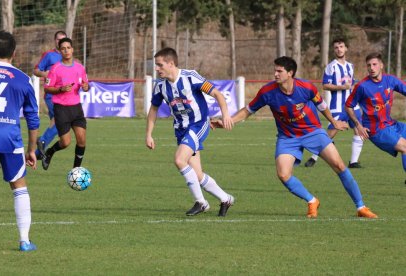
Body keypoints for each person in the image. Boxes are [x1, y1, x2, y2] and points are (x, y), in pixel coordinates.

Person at [215, 56, 377, 218]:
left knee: (340, 166)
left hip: (312, 131)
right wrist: (229, 121)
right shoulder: (267, 91)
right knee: (283, 174)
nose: (275, 74)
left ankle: (360, 207)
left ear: (290, 73)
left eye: (279, 71)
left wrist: (333, 121)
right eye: (275, 71)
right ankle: (312, 200)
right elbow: (248, 111)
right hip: (288, 137)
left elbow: (322, 106)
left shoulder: (306, 87)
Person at [145, 47, 235, 217]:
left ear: (171, 64)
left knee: (179, 160)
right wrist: (149, 134)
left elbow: (217, 93)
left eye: (159, 65)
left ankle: (201, 203)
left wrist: (225, 115)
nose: (156, 69)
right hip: (181, 130)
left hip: (198, 124)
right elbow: (153, 109)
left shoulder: (190, 77)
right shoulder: (160, 86)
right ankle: (226, 198)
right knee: (198, 175)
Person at [0, 31, 40, 251]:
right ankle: (24, 241)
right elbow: (32, 119)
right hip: (9, 139)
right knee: (19, 186)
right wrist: (32, 150)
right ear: (14, 53)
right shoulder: (23, 79)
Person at [346, 52, 406, 184]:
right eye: (369, 65)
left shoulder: (390, 80)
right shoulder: (362, 86)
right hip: (376, 130)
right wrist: (358, 124)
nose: (371, 68)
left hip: (390, 124)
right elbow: (348, 106)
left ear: (381, 65)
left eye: (374, 64)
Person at [304, 38, 363, 168]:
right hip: (338, 106)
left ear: (346, 48)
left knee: (359, 130)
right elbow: (325, 85)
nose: (339, 49)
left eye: (341, 46)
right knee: (331, 132)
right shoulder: (331, 67)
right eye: (336, 47)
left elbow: (351, 83)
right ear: (334, 50)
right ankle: (314, 157)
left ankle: (353, 162)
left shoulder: (350, 66)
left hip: (353, 106)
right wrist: (342, 87)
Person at [41, 37, 89, 170]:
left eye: (68, 48)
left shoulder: (80, 68)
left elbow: (86, 85)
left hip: (76, 109)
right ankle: (49, 152)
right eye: (63, 48)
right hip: (61, 109)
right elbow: (47, 88)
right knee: (65, 142)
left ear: (72, 50)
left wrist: (86, 87)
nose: (66, 50)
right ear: (60, 52)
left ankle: (76, 170)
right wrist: (60, 89)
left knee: (82, 140)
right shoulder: (55, 69)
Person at [33, 30, 67, 160]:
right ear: (55, 41)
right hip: (51, 95)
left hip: (64, 96)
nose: (61, 42)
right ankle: (42, 140)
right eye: (58, 39)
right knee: (61, 121)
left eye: (63, 39)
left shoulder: (68, 56)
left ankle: (35, 155)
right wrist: (45, 74)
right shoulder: (49, 55)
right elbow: (36, 70)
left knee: (57, 124)